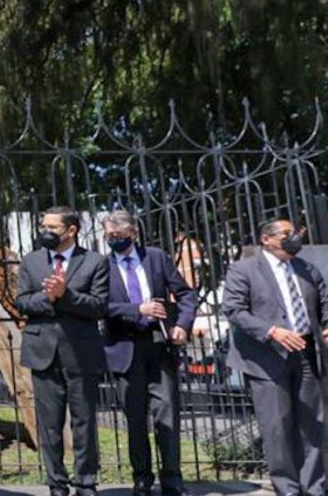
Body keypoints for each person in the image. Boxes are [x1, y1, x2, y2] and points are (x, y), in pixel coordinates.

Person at [223, 219, 328, 496]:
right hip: (265, 359)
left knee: (312, 424)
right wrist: (272, 331)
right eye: (287, 234)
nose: (295, 238)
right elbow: (234, 310)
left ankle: (313, 488)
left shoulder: (305, 268)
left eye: (296, 232)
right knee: (277, 427)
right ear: (266, 239)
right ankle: (287, 488)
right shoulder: (244, 269)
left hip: (305, 352)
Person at [101, 210, 197, 496]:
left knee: (167, 414)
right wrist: (136, 309)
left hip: (158, 344)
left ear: (133, 234)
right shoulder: (101, 266)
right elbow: (97, 304)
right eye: (109, 236)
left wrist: (182, 325)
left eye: (119, 236)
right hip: (123, 346)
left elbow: (185, 294)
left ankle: (172, 478)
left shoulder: (155, 257)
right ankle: (141, 477)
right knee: (135, 417)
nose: (114, 240)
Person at [16, 206, 109, 496]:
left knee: (84, 421)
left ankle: (85, 482)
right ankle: (56, 483)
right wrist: (49, 298)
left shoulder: (95, 261)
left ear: (71, 231)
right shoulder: (31, 262)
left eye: (52, 228)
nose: (45, 232)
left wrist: (65, 295)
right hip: (43, 351)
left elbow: (98, 306)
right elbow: (22, 302)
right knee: (50, 424)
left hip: (81, 352)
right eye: (43, 226)